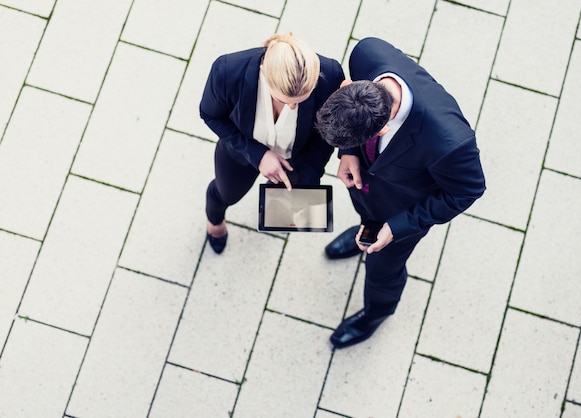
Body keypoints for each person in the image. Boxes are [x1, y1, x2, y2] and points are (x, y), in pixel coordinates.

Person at [315, 37, 486, 349]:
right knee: (366, 217)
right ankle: (363, 229)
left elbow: (468, 190)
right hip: (368, 187)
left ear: (381, 131)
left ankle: (375, 314)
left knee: (383, 270)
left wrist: (399, 226)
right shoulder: (365, 53)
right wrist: (349, 153)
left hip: (402, 209)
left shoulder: (450, 143)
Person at [200, 33, 344, 253]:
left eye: (301, 101)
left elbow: (329, 129)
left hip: (299, 157)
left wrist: (311, 173)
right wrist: (257, 155)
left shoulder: (331, 74)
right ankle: (215, 223)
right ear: (264, 72)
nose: (293, 108)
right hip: (240, 153)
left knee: (288, 207)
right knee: (225, 193)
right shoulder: (227, 71)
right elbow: (210, 115)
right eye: (285, 101)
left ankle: (278, 212)